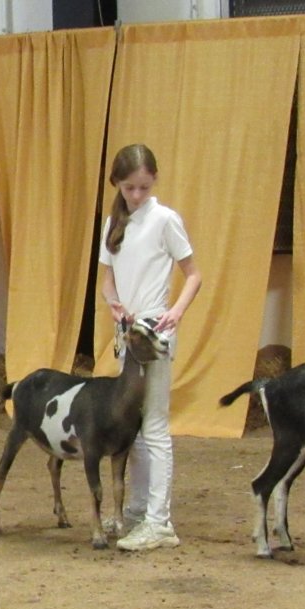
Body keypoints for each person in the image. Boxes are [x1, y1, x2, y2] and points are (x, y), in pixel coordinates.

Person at [98, 143, 202, 551]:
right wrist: (113, 303)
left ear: (154, 180)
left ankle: (160, 521)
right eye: (129, 188)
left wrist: (175, 311)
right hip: (129, 333)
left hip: (155, 333)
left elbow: (193, 274)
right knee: (133, 428)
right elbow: (107, 278)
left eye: (142, 187)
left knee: (155, 425)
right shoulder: (114, 222)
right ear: (118, 185)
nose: (136, 195)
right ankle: (139, 511)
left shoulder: (165, 220)